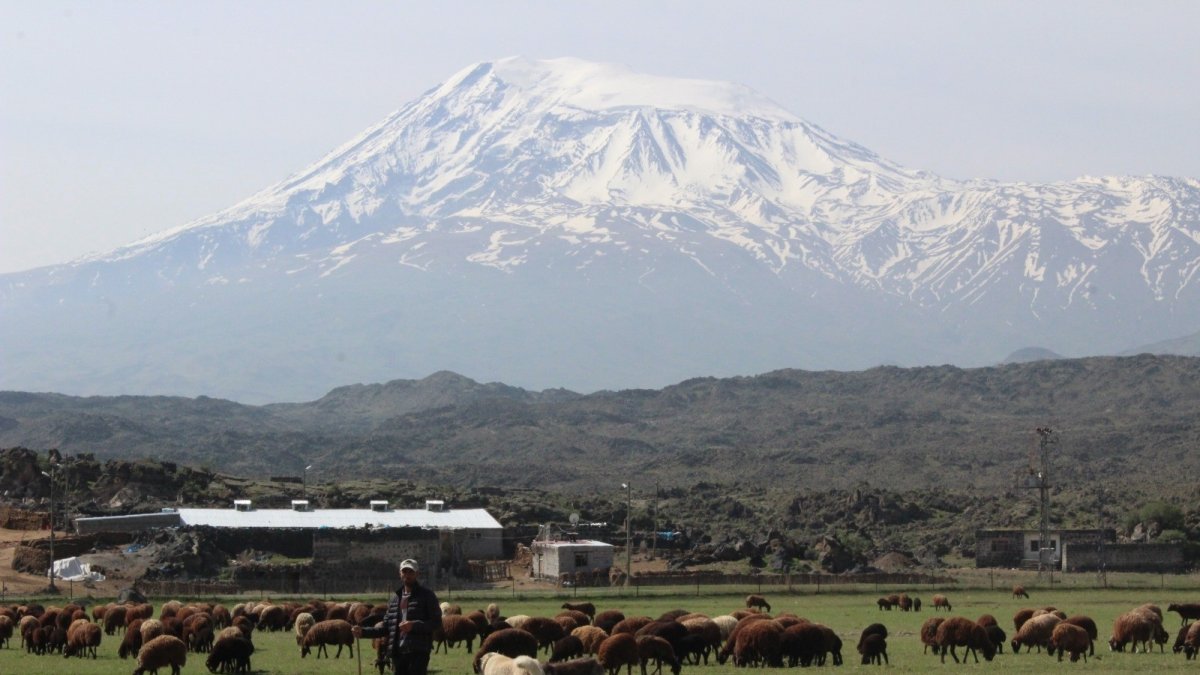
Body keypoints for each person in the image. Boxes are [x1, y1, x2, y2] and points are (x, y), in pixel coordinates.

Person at [353, 558, 442, 675]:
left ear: (417, 574)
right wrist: (363, 632)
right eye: (404, 571)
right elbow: (385, 628)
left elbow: (436, 623)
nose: (407, 575)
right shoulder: (395, 599)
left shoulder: (427, 596)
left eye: (411, 572)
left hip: (419, 652)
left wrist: (414, 625)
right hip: (398, 653)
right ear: (400, 574)